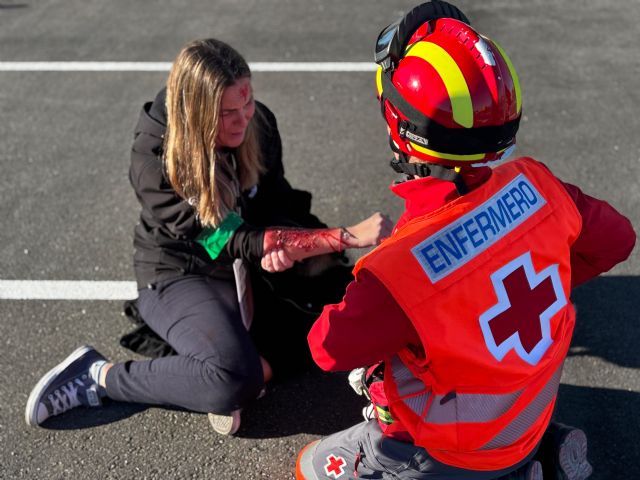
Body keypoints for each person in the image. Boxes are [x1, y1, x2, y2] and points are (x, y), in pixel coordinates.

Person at [296, 2, 636, 480]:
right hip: (526, 415)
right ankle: (539, 453)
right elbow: (618, 239)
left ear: (399, 126)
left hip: (454, 450)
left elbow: (327, 348)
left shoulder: (399, 270)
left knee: (311, 466)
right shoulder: (539, 186)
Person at [25, 38, 393, 435]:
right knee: (234, 379)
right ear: (194, 114)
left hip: (245, 260)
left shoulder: (259, 123)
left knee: (354, 301)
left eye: (246, 105)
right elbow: (223, 238)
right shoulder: (156, 159)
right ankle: (99, 378)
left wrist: (302, 251)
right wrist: (344, 237)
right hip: (182, 271)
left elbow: (276, 202)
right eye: (227, 113)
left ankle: (220, 374)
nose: (243, 119)